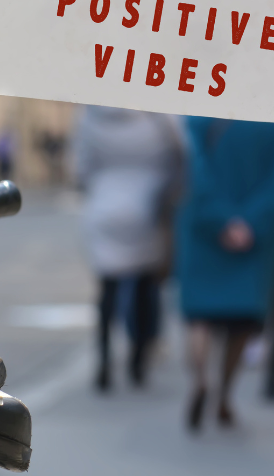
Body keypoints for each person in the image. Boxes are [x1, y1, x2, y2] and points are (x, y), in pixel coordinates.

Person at [177, 117, 274, 430]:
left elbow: (196, 168)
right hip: (255, 236)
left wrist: (221, 219)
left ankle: (201, 379)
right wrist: (250, 223)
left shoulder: (200, 110)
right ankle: (224, 395)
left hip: (206, 231)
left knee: (199, 318)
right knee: (241, 324)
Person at [74, 106, 185, 391]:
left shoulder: (90, 115)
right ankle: (138, 357)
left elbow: (81, 167)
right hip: (147, 205)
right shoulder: (158, 115)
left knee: (107, 289)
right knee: (146, 286)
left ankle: (104, 358)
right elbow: (179, 155)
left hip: (105, 204)